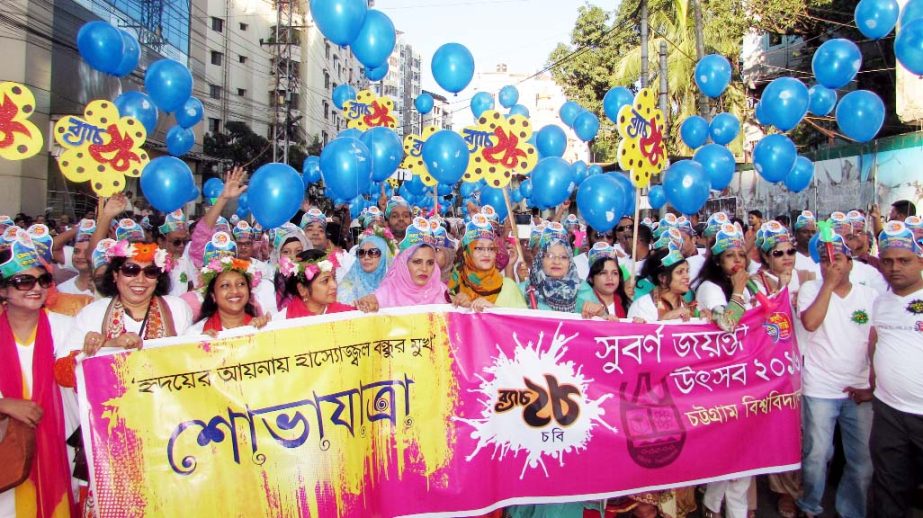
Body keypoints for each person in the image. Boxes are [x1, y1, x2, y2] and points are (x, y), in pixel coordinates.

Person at [796, 231, 875, 518]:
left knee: (862, 461)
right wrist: (827, 286)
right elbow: (811, 323)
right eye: (826, 261)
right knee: (817, 455)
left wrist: (873, 386)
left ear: (851, 263)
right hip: (819, 387)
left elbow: (875, 342)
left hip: (858, 388)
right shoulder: (811, 290)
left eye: (838, 259)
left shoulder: (870, 296)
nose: (832, 266)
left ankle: (851, 510)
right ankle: (810, 505)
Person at [0, 231, 78, 517]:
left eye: (43, 280)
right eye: (23, 281)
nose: (36, 288)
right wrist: (3, 404)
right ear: (3, 290)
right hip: (5, 457)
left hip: (58, 451)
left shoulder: (67, 327)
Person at [867, 221, 923, 516]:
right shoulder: (881, 302)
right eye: (887, 261)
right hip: (888, 411)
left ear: (920, 260)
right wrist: (872, 385)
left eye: (904, 260)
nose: (894, 268)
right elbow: (876, 346)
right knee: (889, 488)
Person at [73, 240, 193, 357]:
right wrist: (109, 345)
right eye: (130, 270)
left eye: (150, 272)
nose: (140, 280)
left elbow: (193, 354)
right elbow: (67, 363)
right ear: (115, 275)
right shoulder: (92, 313)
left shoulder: (177, 308)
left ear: (158, 278)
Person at [449, 214, 526, 311]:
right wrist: (460, 305)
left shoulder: (508, 287)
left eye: (491, 248)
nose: (486, 254)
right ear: (466, 253)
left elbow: (522, 323)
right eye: (479, 248)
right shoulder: (455, 287)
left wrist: (493, 310)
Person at [356, 240, 448, 312]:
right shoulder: (386, 293)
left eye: (430, 263)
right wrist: (367, 303)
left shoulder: (443, 291)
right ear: (403, 264)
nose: (424, 269)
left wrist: (460, 303)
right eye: (417, 262)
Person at [188, 256, 271, 335]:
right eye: (225, 285)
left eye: (241, 284)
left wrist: (266, 330)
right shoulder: (195, 334)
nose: (235, 291)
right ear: (213, 296)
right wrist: (200, 345)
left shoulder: (262, 327)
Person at [521, 226, 584, 313]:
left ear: (570, 262)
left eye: (563, 257)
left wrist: (598, 312)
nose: (556, 261)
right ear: (540, 259)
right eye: (550, 256)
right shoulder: (524, 289)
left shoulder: (583, 289)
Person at [277, 249, 353, 318]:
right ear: (302, 289)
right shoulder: (281, 322)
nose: (334, 285)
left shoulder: (347, 314)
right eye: (325, 281)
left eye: (334, 278)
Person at [628, 247, 694, 323]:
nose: (687, 276)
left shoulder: (687, 306)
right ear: (663, 278)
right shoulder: (643, 306)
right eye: (680, 272)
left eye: (687, 271)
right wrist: (664, 319)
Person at [337, 227, 395, 306]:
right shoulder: (346, 286)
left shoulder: (396, 286)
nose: (366, 257)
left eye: (373, 252)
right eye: (361, 252)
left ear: (384, 256)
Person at [576, 242, 631, 318]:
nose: (610, 278)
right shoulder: (582, 302)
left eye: (614, 273)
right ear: (591, 278)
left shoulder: (627, 304)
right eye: (603, 273)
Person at [55, 219, 96, 297]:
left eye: (87, 252)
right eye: (76, 251)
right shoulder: (62, 290)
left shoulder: (109, 290)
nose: (80, 256)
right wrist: (82, 227)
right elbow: (53, 247)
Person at [793, 211, 820, 277]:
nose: (810, 235)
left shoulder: (821, 256)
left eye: (813, 232)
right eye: (805, 232)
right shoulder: (789, 256)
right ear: (796, 234)